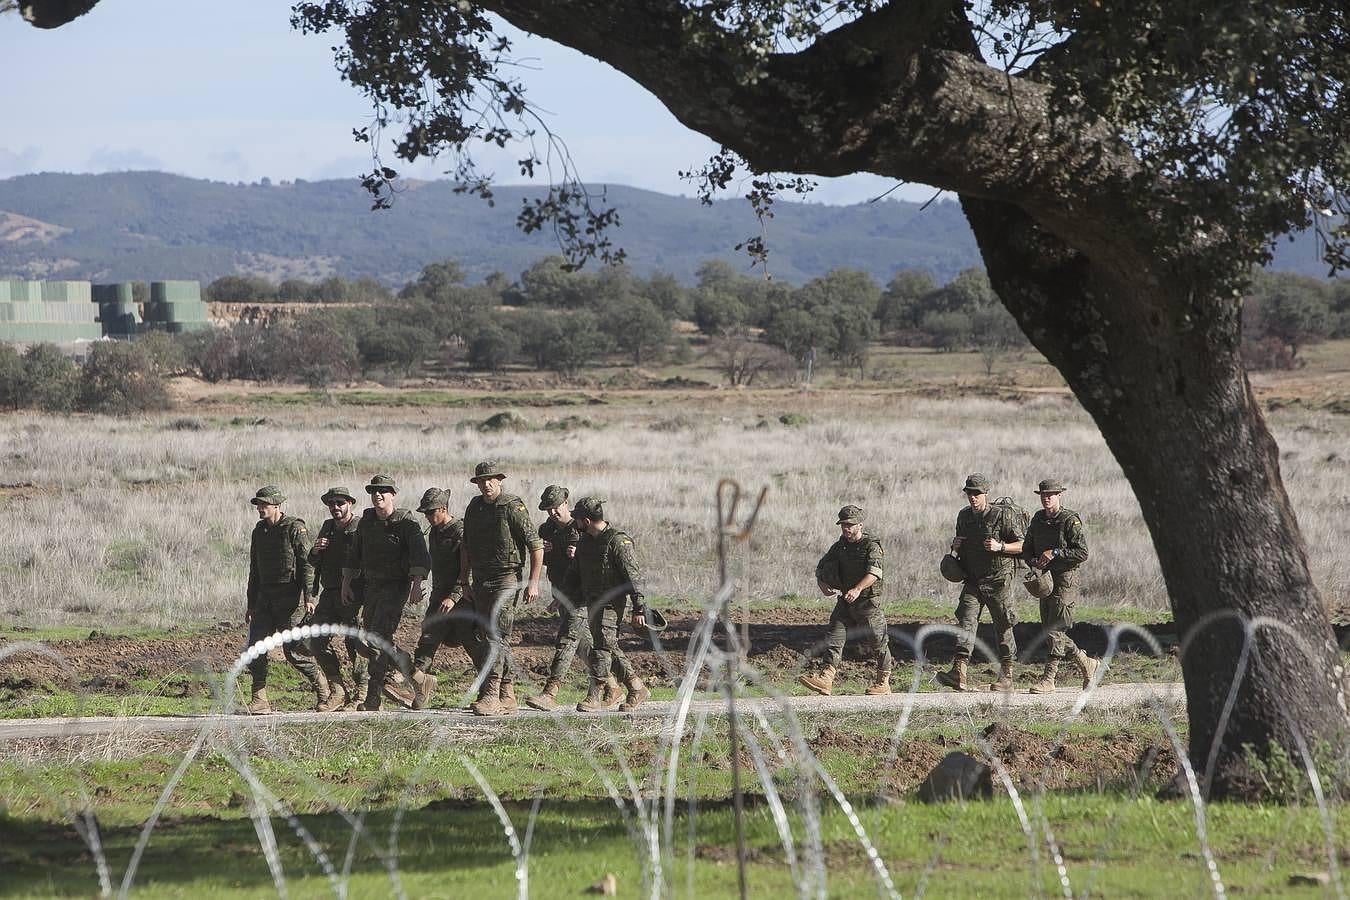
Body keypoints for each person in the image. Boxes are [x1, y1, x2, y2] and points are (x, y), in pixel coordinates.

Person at [460, 460, 544, 717]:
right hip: (481, 580)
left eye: (491, 480)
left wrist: (533, 581)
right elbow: (465, 546)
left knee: (497, 635)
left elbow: (535, 545)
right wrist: (464, 581)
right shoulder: (474, 507)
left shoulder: (512, 506)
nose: (486, 485)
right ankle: (507, 692)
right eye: (482, 481)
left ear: (499, 480)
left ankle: (491, 694)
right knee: (487, 634)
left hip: (507, 578)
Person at [526, 485, 622, 711]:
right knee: (587, 646)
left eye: (556, 507)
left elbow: (591, 560)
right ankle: (615, 685)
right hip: (561, 592)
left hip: (581, 595)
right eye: (548, 509)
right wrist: (548, 552)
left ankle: (550, 692)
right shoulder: (546, 530)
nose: (553, 513)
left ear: (566, 503)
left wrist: (575, 554)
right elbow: (547, 560)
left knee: (567, 639)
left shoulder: (580, 527)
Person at [342, 474, 429, 711]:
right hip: (372, 587)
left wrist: (416, 584)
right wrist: (346, 582)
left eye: (383, 491)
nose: (377, 495)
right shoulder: (367, 521)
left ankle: (373, 698)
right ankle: (419, 678)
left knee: (378, 639)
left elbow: (420, 555)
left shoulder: (406, 523)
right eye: (373, 492)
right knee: (372, 640)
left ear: (393, 494)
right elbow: (354, 554)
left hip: (395, 587)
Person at [935, 474, 1024, 692]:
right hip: (973, 579)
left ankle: (1007, 675)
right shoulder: (964, 517)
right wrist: (954, 548)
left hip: (999, 579)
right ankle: (959, 672)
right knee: (966, 621)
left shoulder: (1002, 516)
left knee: (1003, 624)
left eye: (977, 493)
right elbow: (961, 547)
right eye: (969, 493)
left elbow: (1022, 545)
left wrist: (1000, 547)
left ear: (986, 494)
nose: (973, 497)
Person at [560, 497, 651, 712]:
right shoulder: (585, 543)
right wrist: (562, 596)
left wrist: (639, 608)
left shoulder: (618, 542)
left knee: (601, 647)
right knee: (608, 645)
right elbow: (574, 573)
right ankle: (636, 687)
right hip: (592, 601)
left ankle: (595, 693)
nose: (575, 523)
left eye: (578, 519)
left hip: (612, 603)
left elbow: (633, 577)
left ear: (587, 520)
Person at [244, 485, 325, 714]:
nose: (260, 508)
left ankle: (323, 689)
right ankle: (259, 699)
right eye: (258, 505)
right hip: (265, 598)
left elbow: (306, 563)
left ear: (277, 506)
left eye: (264, 505)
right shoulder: (259, 531)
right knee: (255, 647)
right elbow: (255, 571)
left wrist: (309, 596)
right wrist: (251, 604)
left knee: (294, 650)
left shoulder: (294, 528)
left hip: (290, 599)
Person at [798, 505, 891, 697]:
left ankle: (883, 682)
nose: (846, 528)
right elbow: (821, 567)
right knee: (834, 637)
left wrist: (857, 589)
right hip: (846, 602)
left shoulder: (871, 545)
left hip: (867, 602)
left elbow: (875, 573)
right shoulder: (840, 546)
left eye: (850, 525)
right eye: (843, 525)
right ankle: (826, 678)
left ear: (860, 525)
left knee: (878, 642)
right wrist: (822, 583)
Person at [407, 487, 481, 709]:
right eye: (426, 513)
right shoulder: (434, 532)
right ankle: (420, 688)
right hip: (439, 596)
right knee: (427, 640)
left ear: (443, 508)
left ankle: (490, 690)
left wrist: (455, 595)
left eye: (431, 512)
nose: (428, 517)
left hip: (461, 599)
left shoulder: (460, 531)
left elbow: (467, 568)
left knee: (473, 645)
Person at [1022, 479, 1099, 693]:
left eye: (1051, 494)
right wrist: (1034, 560)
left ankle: (1049, 679)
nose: (1046, 498)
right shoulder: (1038, 519)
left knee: (1056, 628)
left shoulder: (1069, 520)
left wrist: (1055, 553)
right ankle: (1086, 662)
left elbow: (1082, 553)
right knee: (1049, 629)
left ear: (1059, 496)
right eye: (1043, 495)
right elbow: (1026, 548)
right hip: (1044, 580)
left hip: (1065, 579)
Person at [308, 486, 368, 712]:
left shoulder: (360, 526)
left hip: (356, 593)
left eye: (340, 503)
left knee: (356, 643)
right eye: (331, 503)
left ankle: (362, 694)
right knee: (316, 639)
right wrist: (315, 550)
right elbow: (313, 562)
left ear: (350, 503)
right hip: (330, 592)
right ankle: (338, 690)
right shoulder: (327, 527)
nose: (335, 507)